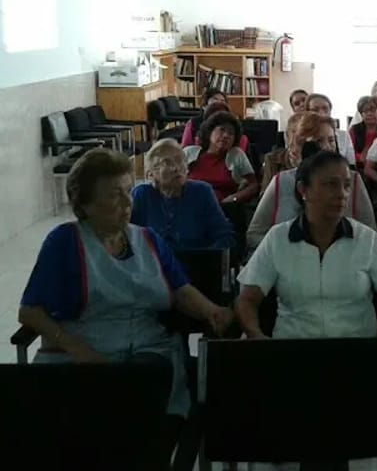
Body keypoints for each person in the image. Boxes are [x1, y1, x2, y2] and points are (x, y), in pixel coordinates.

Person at [236, 150, 377, 471]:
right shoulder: (278, 239)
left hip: (355, 354)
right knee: (321, 417)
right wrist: (259, 340)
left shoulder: (365, 239)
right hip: (294, 356)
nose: (342, 194)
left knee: (326, 419)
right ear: (303, 189)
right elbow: (247, 300)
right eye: (331, 185)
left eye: (346, 186)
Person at [18, 149, 233, 418]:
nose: (127, 202)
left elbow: (181, 291)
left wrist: (212, 310)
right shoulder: (65, 242)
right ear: (84, 204)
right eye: (114, 195)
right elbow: (29, 312)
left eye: (128, 191)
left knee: (140, 394)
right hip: (84, 352)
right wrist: (76, 348)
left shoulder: (148, 239)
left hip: (147, 350)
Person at [247, 113, 376, 249]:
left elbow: (371, 235)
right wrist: (284, 250)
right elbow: (254, 235)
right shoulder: (281, 181)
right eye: (319, 141)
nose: (327, 147)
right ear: (302, 145)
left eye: (331, 140)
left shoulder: (353, 180)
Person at [131, 139, 235, 250]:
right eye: (167, 163)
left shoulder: (201, 191)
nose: (176, 168)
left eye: (179, 161)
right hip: (153, 265)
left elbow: (224, 236)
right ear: (150, 174)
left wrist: (208, 258)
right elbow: (128, 236)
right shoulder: (141, 195)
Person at [184, 111, 258, 204]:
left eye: (231, 133)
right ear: (209, 132)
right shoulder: (189, 152)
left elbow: (253, 185)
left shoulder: (236, 155)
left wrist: (234, 198)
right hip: (188, 203)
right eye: (222, 130)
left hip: (222, 208)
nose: (226, 135)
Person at [305, 93, 357, 166]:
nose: (321, 113)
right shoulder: (304, 135)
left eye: (325, 108)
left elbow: (351, 163)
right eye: (315, 110)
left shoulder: (343, 135)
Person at [260, 112, 303, 192]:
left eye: (303, 133)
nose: (298, 137)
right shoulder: (272, 159)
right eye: (294, 132)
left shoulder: (317, 159)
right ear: (287, 135)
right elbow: (265, 195)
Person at [181, 100, 249, 150]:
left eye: (230, 132)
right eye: (221, 130)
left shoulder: (239, 144)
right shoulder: (192, 151)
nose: (225, 135)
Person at [349, 95, 377, 169]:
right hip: (359, 167)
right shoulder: (354, 130)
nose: (369, 114)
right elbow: (349, 152)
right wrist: (361, 157)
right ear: (361, 114)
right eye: (365, 111)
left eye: (373, 110)